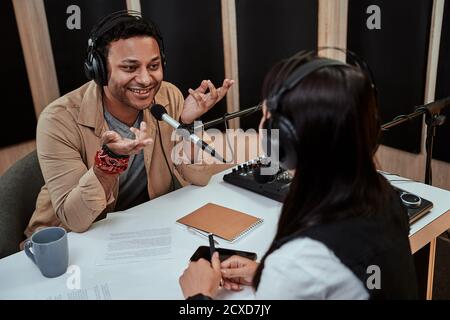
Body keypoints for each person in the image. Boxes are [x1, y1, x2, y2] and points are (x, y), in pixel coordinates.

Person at [179, 50, 418, 299]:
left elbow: (308, 272)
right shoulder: (382, 194)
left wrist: (198, 296)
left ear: (285, 141)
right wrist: (266, 274)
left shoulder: (298, 263)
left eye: (267, 116)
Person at [23, 11, 234, 238]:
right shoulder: (58, 120)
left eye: (153, 66)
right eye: (130, 68)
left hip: (143, 227)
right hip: (71, 242)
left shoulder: (168, 96)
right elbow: (75, 220)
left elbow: (200, 178)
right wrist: (109, 164)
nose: (145, 79)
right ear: (99, 70)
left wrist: (188, 124)